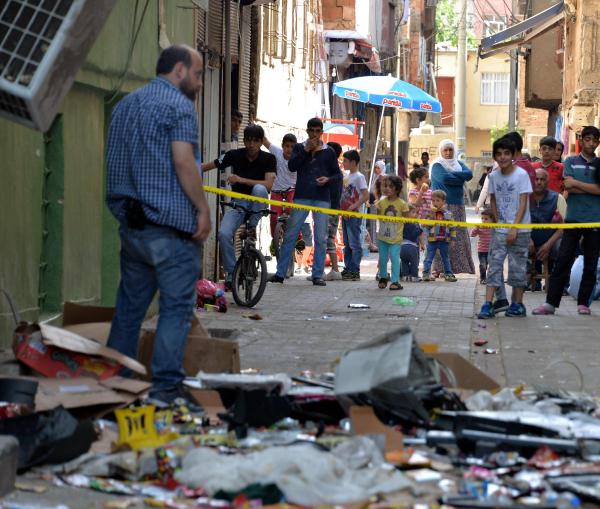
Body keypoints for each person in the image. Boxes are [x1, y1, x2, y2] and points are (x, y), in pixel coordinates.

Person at [105, 45, 211, 406]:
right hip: (171, 231)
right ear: (179, 70)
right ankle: (165, 387)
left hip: (134, 227)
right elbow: (184, 162)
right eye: (197, 75)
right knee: (176, 310)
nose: (198, 83)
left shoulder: (124, 106)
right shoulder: (178, 107)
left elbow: (115, 166)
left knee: (130, 310)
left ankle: (116, 383)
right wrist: (202, 210)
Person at [534, 126, 600, 316]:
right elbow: (568, 186)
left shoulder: (599, 164)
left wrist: (578, 185)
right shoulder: (570, 161)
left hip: (595, 221)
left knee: (591, 261)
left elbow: (593, 189)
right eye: (587, 139)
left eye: (595, 140)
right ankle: (550, 303)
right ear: (581, 140)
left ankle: (583, 303)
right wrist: (591, 188)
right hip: (572, 219)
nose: (591, 143)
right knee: (563, 260)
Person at [268, 117, 342, 286]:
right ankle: (280, 274)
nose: (315, 134)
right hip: (301, 196)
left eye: (318, 131)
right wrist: (306, 151)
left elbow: (338, 175)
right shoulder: (300, 147)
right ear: (307, 131)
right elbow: (291, 166)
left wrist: (328, 179)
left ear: (322, 133)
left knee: (321, 237)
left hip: (322, 198)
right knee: (290, 235)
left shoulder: (329, 151)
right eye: (312, 131)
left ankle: (317, 275)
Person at [203, 124, 276, 288]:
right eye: (248, 140)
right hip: (238, 204)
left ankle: (252, 227)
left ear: (260, 142)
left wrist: (241, 180)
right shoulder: (234, 155)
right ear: (244, 141)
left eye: (255, 141)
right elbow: (212, 164)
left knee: (259, 188)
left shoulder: (269, 159)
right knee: (223, 233)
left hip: (257, 202)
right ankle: (231, 272)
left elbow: (269, 185)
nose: (251, 145)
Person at [478, 137, 532, 319]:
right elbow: (492, 198)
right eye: (499, 154)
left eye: (506, 153)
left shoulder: (522, 175)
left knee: (518, 267)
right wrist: (497, 220)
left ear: (513, 155)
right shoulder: (493, 176)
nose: (502, 157)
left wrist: (514, 228)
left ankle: (518, 304)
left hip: (520, 230)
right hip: (500, 230)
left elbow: (523, 202)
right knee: (494, 266)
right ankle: (487, 304)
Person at [430, 139, 475, 274]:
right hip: (442, 206)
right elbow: (444, 179)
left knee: (459, 235)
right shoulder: (437, 165)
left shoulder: (458, 163)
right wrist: (460, 178)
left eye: (451, 150)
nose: (448, 152)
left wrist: (453, 174)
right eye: (446, 150)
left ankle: (461, 268)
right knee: (442, 235)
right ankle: (440, 269)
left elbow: (470, 174)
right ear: (441, 151)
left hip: (459, 205)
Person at [529, 168, 567, 281]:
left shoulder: (557, 198)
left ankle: (560, 282)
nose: (539, 182)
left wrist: (548, 245)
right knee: (517, 243)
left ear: (547, 182)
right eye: (536, 179)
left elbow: (564, 227)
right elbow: (518, 223)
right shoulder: (524, 198)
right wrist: (527, 239)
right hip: (528, 241)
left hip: (552, 241)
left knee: (563, 247)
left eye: (542, 179)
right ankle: (526, 279)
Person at [340, 150, 369, 281]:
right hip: (345, 215)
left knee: (355, 244)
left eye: (345, 160)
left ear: (353, 162)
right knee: (347, 243)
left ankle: (354, 269)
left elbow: (365, 195)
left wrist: (354, 206)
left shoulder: (359, 177)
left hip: (355, 215)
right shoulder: (346, 176)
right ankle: (348, 268)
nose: (343, 163)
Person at [376, 175, 409, 290]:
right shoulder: (381, 203)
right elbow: (379, 217)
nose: (387, 189)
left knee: (395, 258)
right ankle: (383, 278)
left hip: (396, 238)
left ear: (397, 188)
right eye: (385, 186)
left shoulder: (402, 204)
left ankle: (395, 281)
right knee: (383, 258)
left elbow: (406, 218)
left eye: (391, 186)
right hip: (382, 237)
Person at [263, 133, 297, 238]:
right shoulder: (277, 152)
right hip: (276, 191)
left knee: (293, 215)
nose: (289, 149)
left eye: (292, 147)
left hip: (291, 191)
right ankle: (275, 240)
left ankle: (298, 237)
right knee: (273, 217)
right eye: (287, 146)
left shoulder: (298, 159)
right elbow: (265, 141)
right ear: (282, 146)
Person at [422, 190, 456, 282]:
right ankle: (425, 274)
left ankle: (448, 273)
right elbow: (426, 226)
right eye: (433, 201)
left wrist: (453, 239)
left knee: (445, 257)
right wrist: (431, 217)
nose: (435, 203)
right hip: (432, 240)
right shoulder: (430, 213)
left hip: (444, 240)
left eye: (437, 200)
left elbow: (452, 227)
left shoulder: (448, 214)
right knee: (429, 257)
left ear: (443, 202)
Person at [325, 141, 344, 280]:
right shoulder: (332, 169)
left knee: (328, 238)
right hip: (330, 208)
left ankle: (335, 269)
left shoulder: (333, 171)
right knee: (325, 238)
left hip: (331, 209)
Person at [400, 205, 424, 282]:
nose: (416, 214)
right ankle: (414, 276)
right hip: (412, 247)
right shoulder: (413, 224)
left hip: (402, 247)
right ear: (407, 214)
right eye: (413, 212)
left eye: (416, 212)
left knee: (404, 262)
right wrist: (421, 229)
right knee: (414, 262)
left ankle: (405, 275)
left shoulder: (401, 223)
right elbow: (414, 235)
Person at [471, 209, 494, 285]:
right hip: (481, 250)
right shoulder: (480, 227)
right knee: (483, 265)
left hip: (491, 251)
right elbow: (472, 234)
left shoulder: (493, 228)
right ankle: (483, 278)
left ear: (491, 220)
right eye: (482, 218)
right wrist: (476, 228)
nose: (483, 220)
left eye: (486, 219)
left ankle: (490, 278)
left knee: (490, 266)